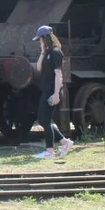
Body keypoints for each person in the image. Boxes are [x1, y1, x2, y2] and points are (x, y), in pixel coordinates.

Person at [33, 25, 73, 160]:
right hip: (46, 90)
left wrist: (56, 94)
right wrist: (42, 52)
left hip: (52, 91)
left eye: (40, 40)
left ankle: (50, 151)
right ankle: (65, 142)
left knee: (44, 120)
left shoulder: (56, 52)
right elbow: (38, 67)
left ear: (45, 38)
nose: (39, 42)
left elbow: (58, 74)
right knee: (44, 119)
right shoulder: (48, 53)